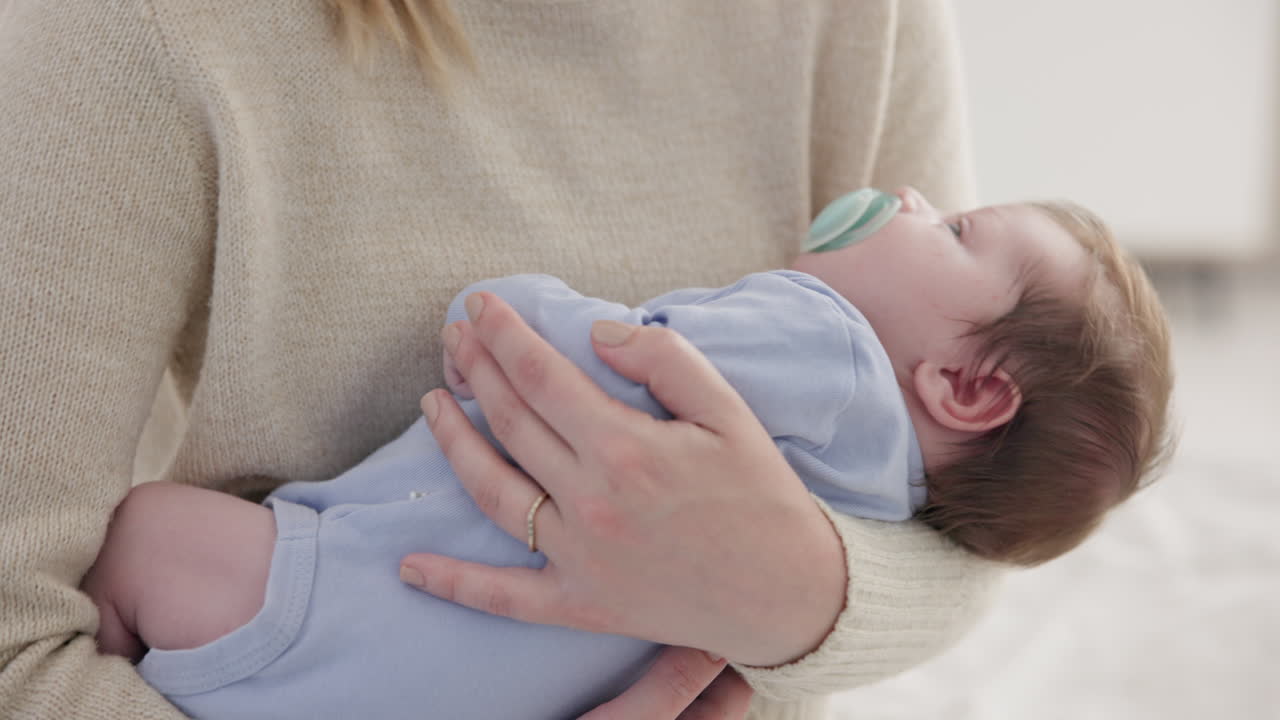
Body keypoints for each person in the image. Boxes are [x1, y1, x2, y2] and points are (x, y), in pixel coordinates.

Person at [0, 1, 1000, 718]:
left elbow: (980, 518)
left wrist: (798, 589)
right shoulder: (137, 27)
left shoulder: (858, 18)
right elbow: (15, 644)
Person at [79, 186, 1175, 719]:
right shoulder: (886, 508)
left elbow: (604, 357)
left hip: (338, 605)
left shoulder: (824, 343)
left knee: (142, 534)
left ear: (969, 387)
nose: (911, 197)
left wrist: (500, 306)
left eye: (953, 232)